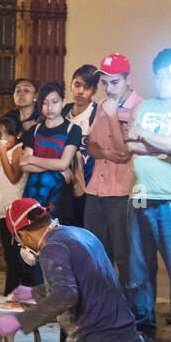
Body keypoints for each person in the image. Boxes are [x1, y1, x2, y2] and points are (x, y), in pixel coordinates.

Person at [0, 199, 141, 342]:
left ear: (23, 234)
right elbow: (82, 281)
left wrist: (16, 322)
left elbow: (66, 295)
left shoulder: (52, 247)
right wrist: (33, 293)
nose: (23, 246)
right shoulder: (81, 234)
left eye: (20, 240)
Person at [125, 48, 171, 342]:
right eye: (159, 74)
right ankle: (144, 329)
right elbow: (130, 143)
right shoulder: (143, 106)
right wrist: (162, 147)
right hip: (139, 197)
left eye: (170, 74)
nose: (163, 80)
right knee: (139, 270)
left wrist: (147, 138)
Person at [85, 53, 142, 294]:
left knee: (124, 255)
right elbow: (90, 145)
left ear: (129, 80)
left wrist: (111, 117)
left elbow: (125, 152)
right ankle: (103, 308)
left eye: (115, 82)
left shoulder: (139, 107)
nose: (108, 88)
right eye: (104, 83)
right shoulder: (101, 106)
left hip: (121, 191)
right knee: (95, 252)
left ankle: (129, 313)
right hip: (95, 188)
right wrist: (107, 153)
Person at [20, 82, 81, 241]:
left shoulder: (72, 130)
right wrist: (57, 167)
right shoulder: (35, 130)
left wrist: (33, 159)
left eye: (54, 102)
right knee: (32, 250)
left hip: (60, 201)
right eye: (45, 103)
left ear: (63, 101)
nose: (50, 107)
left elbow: (63, 163)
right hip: (33, 199)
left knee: (56, 249)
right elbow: (23, 165)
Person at [0, 115, 28, 295]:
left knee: (14, 256)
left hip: (15, 211)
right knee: (8, 255)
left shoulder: (18, 150)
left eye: (7, 135)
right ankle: (11, 293)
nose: (2, 139)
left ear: (18, 134)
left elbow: (13, 177)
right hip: (3, 210)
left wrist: (3, 153)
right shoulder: (1, 153)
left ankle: (12, 294)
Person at [62, 64, 100, 227]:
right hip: (62, 185)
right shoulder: (62, 112)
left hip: (89, 186)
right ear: (71, 85)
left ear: (94, 90)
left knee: (85, 233)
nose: (80, 91)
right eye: (77, 85)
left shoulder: (98, 113)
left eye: (86, 87)